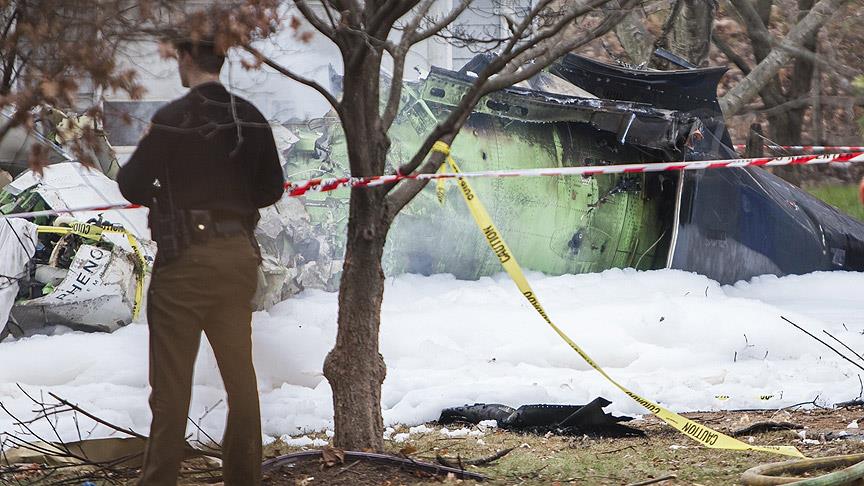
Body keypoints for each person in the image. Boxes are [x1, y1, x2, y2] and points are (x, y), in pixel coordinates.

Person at [117, 37, 284, 486]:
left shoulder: (172, 119)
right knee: (241, 382)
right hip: (235, 259)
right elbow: (272, 188)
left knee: (171, 390)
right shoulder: (249, 115)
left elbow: (130, 183)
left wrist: (163, 197)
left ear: (187, 59)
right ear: (222, 59)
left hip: (185, 261)